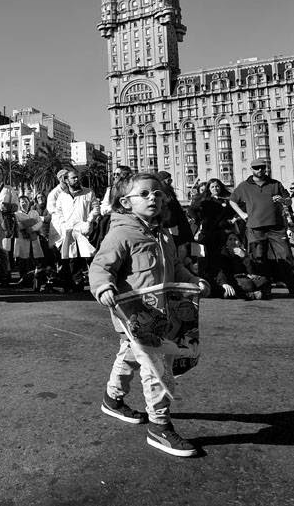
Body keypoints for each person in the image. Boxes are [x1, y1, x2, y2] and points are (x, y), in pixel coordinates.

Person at [89, 172, 209, 458]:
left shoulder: (163, 232)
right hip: (135, 315)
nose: (152, 197)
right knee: (156, 369)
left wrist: (192, 279)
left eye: (157, 193)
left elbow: (176, 265)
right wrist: (102, 287)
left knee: (128, 356)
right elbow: (100, 266)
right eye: (144, 194)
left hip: (161, 313)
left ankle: (112, 399)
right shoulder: (121, 233)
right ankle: (159, 426)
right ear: (125, 202)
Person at [229, 159, 294, 297]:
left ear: (266, 168)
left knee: (286, 257)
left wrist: (283, 201)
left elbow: (288, 200)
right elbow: (232, 200)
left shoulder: (275, 184)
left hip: (276, 227)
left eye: (262, 167)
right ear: (251, 169)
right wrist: (242, 214)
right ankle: (264, 289)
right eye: (256, 168)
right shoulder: (244, 186)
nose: (260, 170)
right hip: (255, 227)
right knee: (259, 258)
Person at [52, 170, 100, 292]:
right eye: (73, 178)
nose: (77, 180)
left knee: (90, 257)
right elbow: (58, 212)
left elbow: (96, 208)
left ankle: (97, 284)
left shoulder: (88, 192)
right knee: (70, 259)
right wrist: (63, 225)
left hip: (84, 231)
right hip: (68, 232)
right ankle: (73, 284)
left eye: (77, 177)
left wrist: (89, 221)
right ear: (67, 180)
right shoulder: (62, 196)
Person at [189, 178, 236, 281]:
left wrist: (231, 220)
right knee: (206, 257)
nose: (215, 188)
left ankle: (222, 278)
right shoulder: (204, 199)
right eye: (212, 187)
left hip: (222, 232)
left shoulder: (226, 199)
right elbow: (191, 210)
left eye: (217, 186)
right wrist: (198, 220)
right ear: (209, 189)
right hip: (207, 232)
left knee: (221, 256)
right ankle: (206, 278)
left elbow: (234, 211)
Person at [13, 195, 45, 289]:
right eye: (22, 202)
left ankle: (33, 281)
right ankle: (23, 280)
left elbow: (39, 223)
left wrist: (32, 228)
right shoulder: (16, 214)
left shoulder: (34, 212)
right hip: (22, 239)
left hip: (34, 238)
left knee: (33, 260)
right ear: (19, 203)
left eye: (25, 201)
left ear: (29, 202)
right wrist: (29, 223)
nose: (24, 203)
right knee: (23, 261)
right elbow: (18, 225)